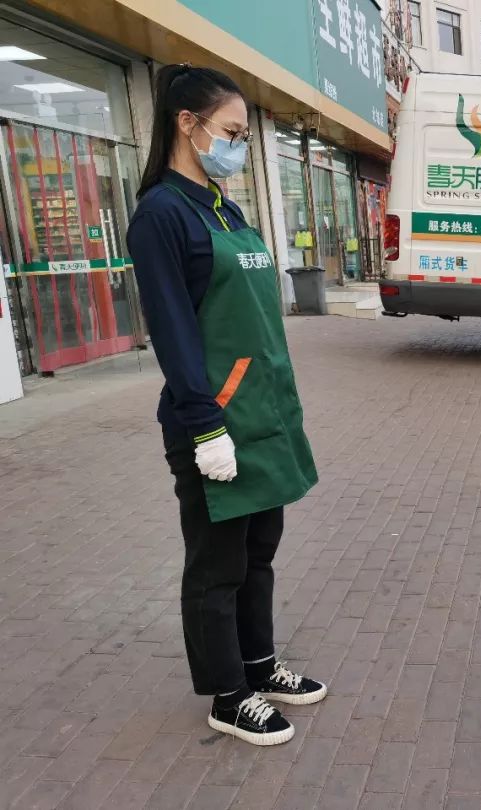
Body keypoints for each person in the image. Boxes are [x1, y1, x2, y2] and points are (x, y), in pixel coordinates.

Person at [127, 64, 323, 746]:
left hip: (261, 417)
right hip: (213, 425)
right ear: (189, 123)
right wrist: (204, 423)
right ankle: (227, 694)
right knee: (217, 565)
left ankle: (261, 665)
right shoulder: (161, 214)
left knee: (259, 552)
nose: (237, 146)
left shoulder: (222, 208)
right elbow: (173, 328)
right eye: (232, 132)